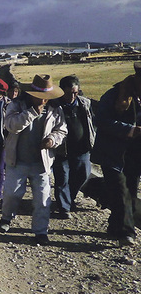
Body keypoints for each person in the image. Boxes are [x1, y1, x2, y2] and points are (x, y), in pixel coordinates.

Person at [0, 74, 67, 246]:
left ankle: (40, 231)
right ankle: (6, 218)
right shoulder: (16, 105)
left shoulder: (55, 109)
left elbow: (61, 130)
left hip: (42, 163)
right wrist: (32, 112)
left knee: (43, 199)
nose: (43, 100)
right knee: (11, 194)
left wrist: (52, 140)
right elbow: (11, 125)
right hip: (18, 160)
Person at [91, 63, 141, 247]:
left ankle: (114, 226)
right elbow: (101, 120)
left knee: (131, 192)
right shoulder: (113, 95)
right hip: (113, 154)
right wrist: (130, 130)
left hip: (135, 155)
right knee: (122, 194)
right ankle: (127, 232)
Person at [51, 75, 95, 219]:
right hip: (61, 149)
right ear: (61, 91)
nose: (72, 96)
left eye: (75, 93)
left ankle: (69, 199)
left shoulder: (84, 103)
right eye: (69, 93)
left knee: (83, 174)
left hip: (81, 148)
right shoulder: (54, 106)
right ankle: (64, 208)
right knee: (62, 177)